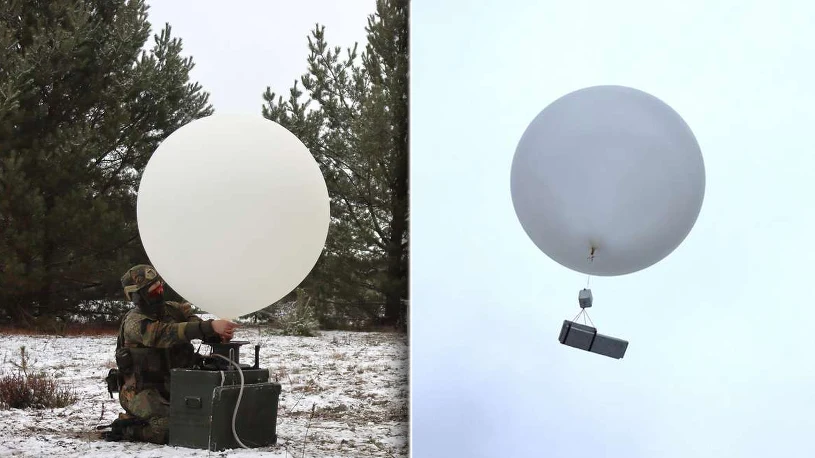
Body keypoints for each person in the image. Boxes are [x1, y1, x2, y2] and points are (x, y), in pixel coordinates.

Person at [99, 264, 239, 443]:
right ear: (137, 295)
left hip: (176, 387)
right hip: (141, 391)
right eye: (153, 290)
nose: (160, 292)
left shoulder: (174, 310)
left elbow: (194, 325)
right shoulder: (134, 322)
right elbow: (165, 333)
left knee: (210, 419)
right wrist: (209, 326)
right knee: (170, 428)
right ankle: (128, 428)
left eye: (160, 287)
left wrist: (217, 334)